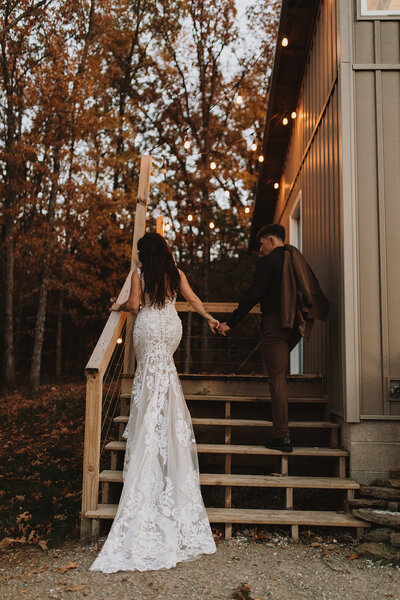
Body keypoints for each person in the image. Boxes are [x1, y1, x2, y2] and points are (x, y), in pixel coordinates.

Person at [90, 232, 219, 573]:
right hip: (170, 327)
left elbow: (134, 306)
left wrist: (117, 305)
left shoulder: (139, 274)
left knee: (150, 376)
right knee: (166, 375)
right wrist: (210, 320)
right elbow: (192, 300)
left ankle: (150, 427)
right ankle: (161, 422)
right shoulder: (176, 273)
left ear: (143, 254)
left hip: (149, 326)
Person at [217, 224, 328, 453]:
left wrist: (231, 322)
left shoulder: (268, 263)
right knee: (279, 374)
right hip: (295, 324)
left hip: (276, 325)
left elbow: (253, 294)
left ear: (271, 241)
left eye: (262, 243)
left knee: (277, 379)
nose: (261, 248)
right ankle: (279, 424)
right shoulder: (296, 259)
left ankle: (282, 436)